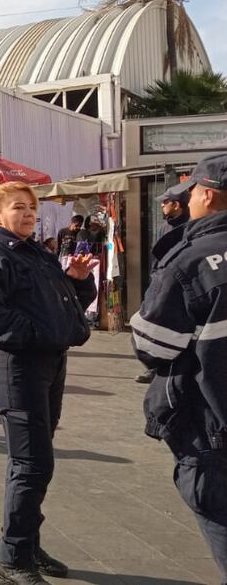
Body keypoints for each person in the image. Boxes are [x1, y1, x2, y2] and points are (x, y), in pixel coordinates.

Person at [0, 181, 97, 585]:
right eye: (18, 207)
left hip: (49, 365)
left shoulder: (35, 251)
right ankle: (12, 559)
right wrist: (41, 335)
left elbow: (59, 303)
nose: (27, 214)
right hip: (17, 368)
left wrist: (75, 281)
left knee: (34, 462)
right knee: (32, 462)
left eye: (32, 209)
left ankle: (26, 545)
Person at [129, 152, 227, 582]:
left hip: (211, 424)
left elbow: (151, 346)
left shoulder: (189, 261)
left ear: (207, 194)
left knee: (217, 514)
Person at [135, 183, 192, 384]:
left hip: (183, 286)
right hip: (161, 282)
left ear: (176, 205)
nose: (161, 206)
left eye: (165, 202)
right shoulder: (164, 227)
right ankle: (155, 367)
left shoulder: (192, 226)